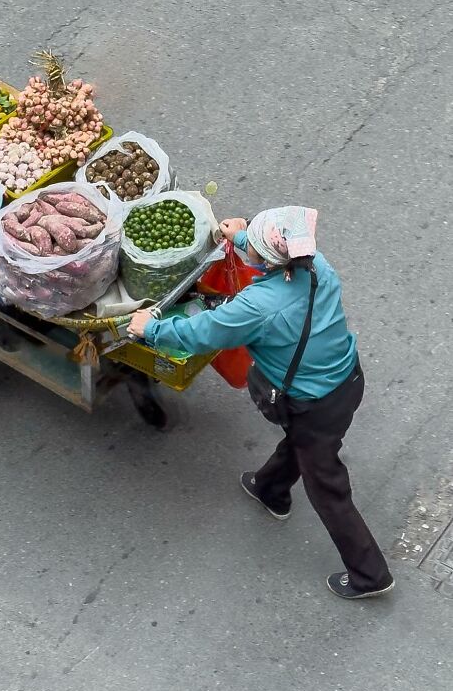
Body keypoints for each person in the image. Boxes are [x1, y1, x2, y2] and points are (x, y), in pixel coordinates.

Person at [128, 207, 394, 600]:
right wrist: (239, 236)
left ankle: (370, 575)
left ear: (268, 259)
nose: (247, 238)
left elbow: (201, 333)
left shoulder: (259, 305)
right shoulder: (317, 266)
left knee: (327, 486)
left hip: (314, 403)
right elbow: (271, 253)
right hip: (348, 380)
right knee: (305, 443)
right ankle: (270, 489)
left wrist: (150, 328)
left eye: (253, 239)